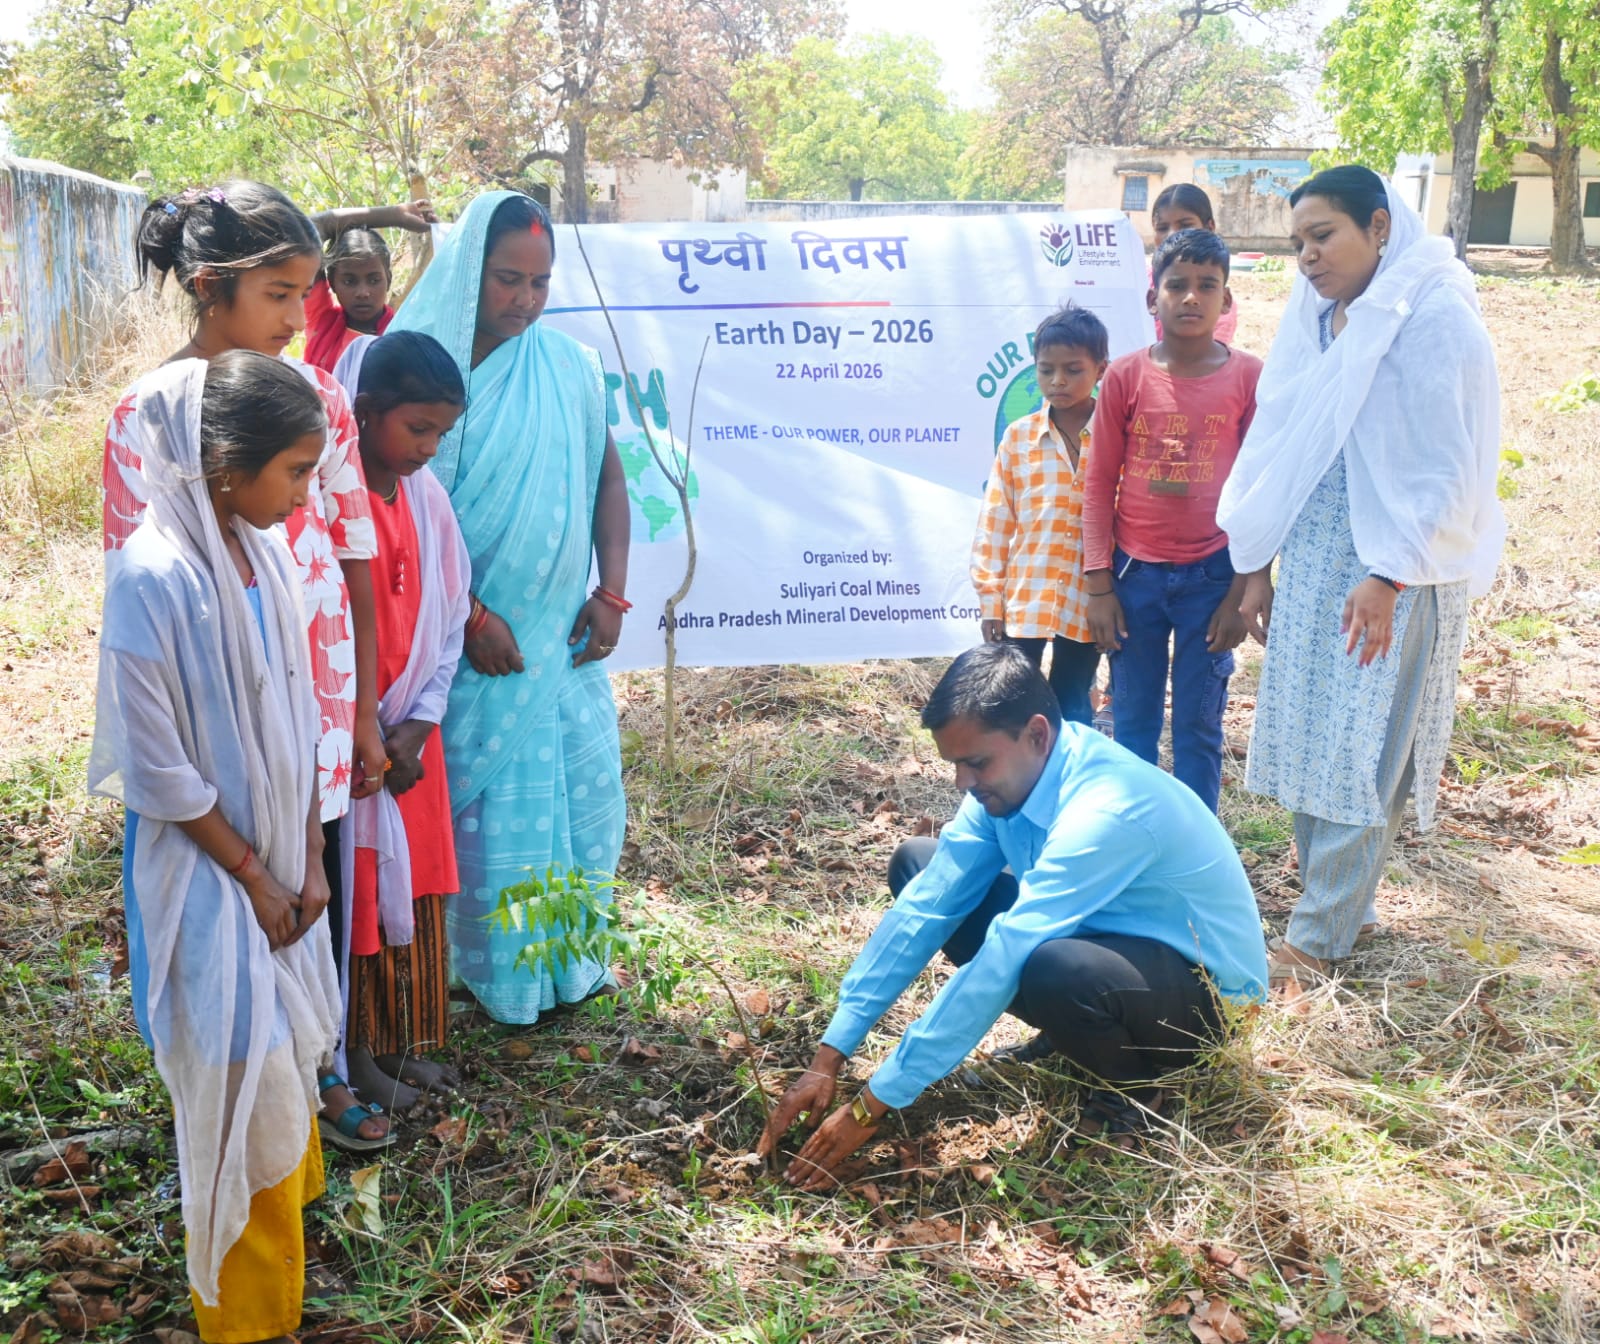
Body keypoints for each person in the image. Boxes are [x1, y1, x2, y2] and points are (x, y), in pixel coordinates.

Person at [104, 180, 390, 1149]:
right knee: (227, 914)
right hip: (209, 725)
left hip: (309, 701)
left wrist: (355, 716)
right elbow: (135, 603)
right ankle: (227, 1100)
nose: (296, 316)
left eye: (305, 293)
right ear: (209, 286)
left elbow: (352, 551)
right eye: (278, 293)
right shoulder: (142, 416)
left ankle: (322, 1070)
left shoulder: (323, 398)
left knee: (311, 893)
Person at [757, 644, 1267, 1187]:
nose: (962, 783)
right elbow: (931, 903)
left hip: (1208, 1002)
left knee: (1053, 967)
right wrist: (828, 1056)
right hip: (1104, 951)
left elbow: (1009, 951)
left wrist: (872, 1105)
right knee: (918, 865)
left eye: (976, 763)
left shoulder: (1107, 807)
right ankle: (1074, 1031)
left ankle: (1135, 1092)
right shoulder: (1010, 783)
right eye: (955, 764)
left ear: (1038, 735)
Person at [90, 351, 343, 1343]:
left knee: (282, 1067)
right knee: (240, 1081)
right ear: (221, 466)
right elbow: (161, 777)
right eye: (293, 471)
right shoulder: (153, 580)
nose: (304, 494)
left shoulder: (263, 554)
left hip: (280, 864)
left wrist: (310, 861)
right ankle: (245, 1321)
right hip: (208, 879)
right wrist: (253, 875)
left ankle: (285, 1268)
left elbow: (301, 715)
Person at [1216, 166, 1504, 991]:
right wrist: (1258, 563)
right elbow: (1282, 440)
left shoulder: (1435, 313)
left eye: (1324, 236)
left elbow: (1452, 465)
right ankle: (1341, 901)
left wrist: (1389, 574)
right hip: (1315, 558)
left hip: (1392, 573)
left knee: (1357, 741)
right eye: (1297, 242)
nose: (1307, 256)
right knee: (1311, 732)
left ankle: (1317, 939)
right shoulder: (1318, 314)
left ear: (1379, 227)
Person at [388, 192, 631, 1025]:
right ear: (467, 273)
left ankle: (565, 964)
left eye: (540, 281)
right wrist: (470, 616)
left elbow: (607, 476)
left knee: (584, 797)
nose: (525, 299)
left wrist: (612, 591)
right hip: (461, 651)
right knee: (494, 816)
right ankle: (486, 975)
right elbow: (403, 516)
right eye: (506, 279)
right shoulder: (414, 371)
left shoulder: (569, 367)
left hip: (562, 640)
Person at [1081, 228, 1264, 814]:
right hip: (1134, 581)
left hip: (1213, 579)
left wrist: (1239, 593)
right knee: (1132, 727)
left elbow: (1259, 494)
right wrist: (1100, 585)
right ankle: (1132, 844)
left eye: (1206, 286)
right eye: (1177, 285)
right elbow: (1097, 484)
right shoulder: (1127, 378)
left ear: (1226, 301)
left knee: (1198, 729)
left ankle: (1194, 858)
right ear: (1151, 298)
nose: (1191, 298)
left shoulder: (1250, 379)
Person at [338, 331, 472, 1110]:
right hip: (356, 744)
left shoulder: (428, 501)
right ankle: (356, 1056)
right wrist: (369, 732)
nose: (427, 448)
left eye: (439, 434)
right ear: (364, 412)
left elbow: (449, 616)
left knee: (416, 887)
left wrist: (419, 725)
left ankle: (403, 1044)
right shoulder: (331, 499)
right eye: (416, 429)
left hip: (412, 743)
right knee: (359, 894)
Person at [970, 305, 1107, 725]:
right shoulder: (1019, 437)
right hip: (1026, 597)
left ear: (1101, 369)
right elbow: (996, 519)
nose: (1058, 381)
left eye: (1073, 369)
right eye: (1046, 370)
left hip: (1086, 601)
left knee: (1072, 699)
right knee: (1016, 701)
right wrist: (990, 599)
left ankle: (1071, 781)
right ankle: (1021, 786)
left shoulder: (1114, 433)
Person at [305, 199, 437, 374]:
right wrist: (396, 215)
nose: (363, 293)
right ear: (332, 282)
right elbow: (310, 229)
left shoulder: (405, 336)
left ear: (388, 279)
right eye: (349, 281)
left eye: (374, 280)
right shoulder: (322, 321)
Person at [1150, 183, 1239, 346]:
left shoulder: (1213, 300)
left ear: (1209, 227)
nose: (1172, 235)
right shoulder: (1139, 281)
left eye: (1185, 225)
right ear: (1152, 299)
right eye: (1162, 227)